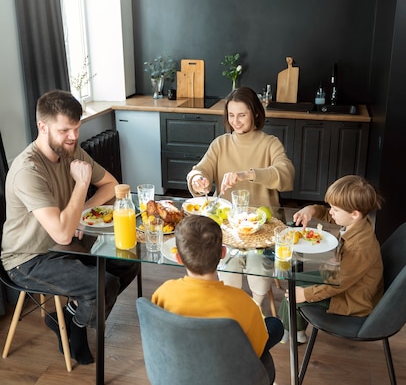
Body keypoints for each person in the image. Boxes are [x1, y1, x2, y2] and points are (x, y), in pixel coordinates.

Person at [1, 90, 139, 364]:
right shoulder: (28, 170)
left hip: (61, 243)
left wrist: (79, 214)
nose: (73, 137)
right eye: (65, 130)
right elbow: (62, 232)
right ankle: (76, 324)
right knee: (101, 285)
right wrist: (82, 186)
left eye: (76, 128)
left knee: (128, 259)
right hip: (28, 258)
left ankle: (68, 317)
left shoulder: (69, 150)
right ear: (43, 126)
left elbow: (112, 185)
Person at [186, 86, 295, 307]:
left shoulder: (270, 143)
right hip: (226, 225)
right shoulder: (220, 144)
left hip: (264, 226)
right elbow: (199, 170)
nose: (236, 121)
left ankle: (256, 308)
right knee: (229, 260)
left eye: (242, 115)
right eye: (231, 115)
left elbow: (286, 175)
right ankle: (234, 308)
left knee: (256, 262)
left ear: (255, 113)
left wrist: (249, 174)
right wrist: (198, 178)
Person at [152, 214, 284, 355]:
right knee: (275, 325)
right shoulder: (244, 303)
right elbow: (255, 351)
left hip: (180, 368)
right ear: (223, 252)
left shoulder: (163, 292)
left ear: (178, 258)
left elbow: (158, 335)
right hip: (229, 372)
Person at [278, 175, 384, 344]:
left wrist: (305, 294)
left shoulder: (360, 248)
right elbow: (332, 216)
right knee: (294, 281)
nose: (331, 212)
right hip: (346, 280)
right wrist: (312, 209)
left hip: (352, 298)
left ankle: (290, 333)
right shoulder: (358, 222)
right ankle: (292, 329)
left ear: (354, 214)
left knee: (293, 293)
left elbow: (338, 284)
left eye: (335, 209)